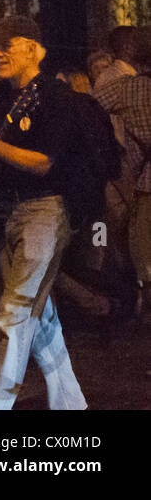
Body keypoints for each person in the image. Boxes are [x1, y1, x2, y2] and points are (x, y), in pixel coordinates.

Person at [0, 15, 87, 410]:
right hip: (2, 212)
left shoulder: (56, 97)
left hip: (44, 211)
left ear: (33, 48)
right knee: (39, 315)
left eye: (5, 45)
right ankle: (71, 403)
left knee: (15, 313)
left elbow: (45, 162)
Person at [93, 38, 151, 321]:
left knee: (139, 245)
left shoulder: (130, 88)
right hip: (138, 176)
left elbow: (91, 108)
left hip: (143, 178)